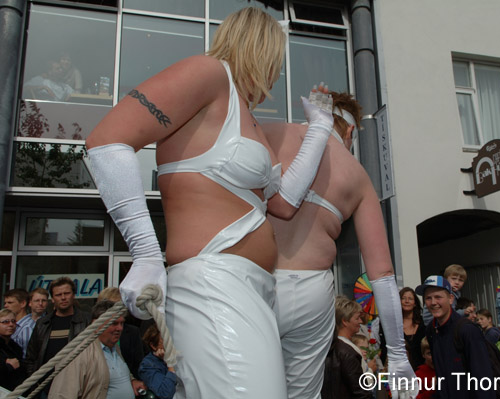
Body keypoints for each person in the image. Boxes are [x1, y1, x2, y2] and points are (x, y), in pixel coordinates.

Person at [85, 7, 334, 398]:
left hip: (256, 289)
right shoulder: (209, 73)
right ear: (262, 48)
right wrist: (147, 254)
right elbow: (106, 142)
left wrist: (320, 130)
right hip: (213, 283)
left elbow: (283, 203)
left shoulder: (245, 113)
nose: (277, 73)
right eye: (277, 61)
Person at [264, 90, 415, 398]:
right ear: (348, 131)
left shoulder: (273, 133)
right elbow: (383, 275)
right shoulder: (358, 176)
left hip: (260, 279)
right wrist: (397, 354)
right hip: (313, 292)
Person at [48, 300, 146, 399]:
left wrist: (132, 381)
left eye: (122, 323)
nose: (120, 328)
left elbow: (115, 375)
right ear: (96, 324)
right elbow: (62, 394)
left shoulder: (114, 347)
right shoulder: (78, 353)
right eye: (114, 323)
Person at [418, 276, 495, 399]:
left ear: (450, 299)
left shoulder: (467, 329)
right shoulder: (431, 330)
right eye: (428, 298)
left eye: (438, 297)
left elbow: (483, 378)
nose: (433, 302)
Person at [25, 277, 91, 378]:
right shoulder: (42, 323)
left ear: (73, 295)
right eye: (58, 295)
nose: (63, 298)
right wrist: (36, 382)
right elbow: (31, 357)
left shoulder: (87, 320)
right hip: (45, 386)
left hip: (76, 381)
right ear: (52, 299)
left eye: (67, 293)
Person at [321, 296, 371, 399]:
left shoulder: (327, 346)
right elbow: (360, 389)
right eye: (357, 318)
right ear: (345, 321)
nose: (360, 321)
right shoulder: (349, 351)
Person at [97, 287, 145, 379]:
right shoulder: (91, 332)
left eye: (120, 306)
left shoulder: (132, 332)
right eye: (112, 307)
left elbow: (138, 364)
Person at [138, 323, 177, 399]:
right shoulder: (147, 365)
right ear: (153, 345)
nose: (170, 345)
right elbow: (166, 393)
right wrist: (170, 365)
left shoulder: (179, 357)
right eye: (165, 341)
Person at [400, 287, 426, 370]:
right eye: (403, 298)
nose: (407, 301)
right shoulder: (394, 325)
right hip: (400, 371)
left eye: (410, 299)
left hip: (422, 370)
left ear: (415, 303)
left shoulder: (423, 323)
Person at [0, 309, 26, 391]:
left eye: (13, 321)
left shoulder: (16, 347)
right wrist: (9, 367)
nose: (11, 324)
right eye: (5, 322)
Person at [4, 288, 35, 356]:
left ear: (23, 304)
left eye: (10, 302)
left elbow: (27, 356)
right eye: (5, 303)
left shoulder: (27, 328)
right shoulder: (15, 324)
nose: (5, 306)